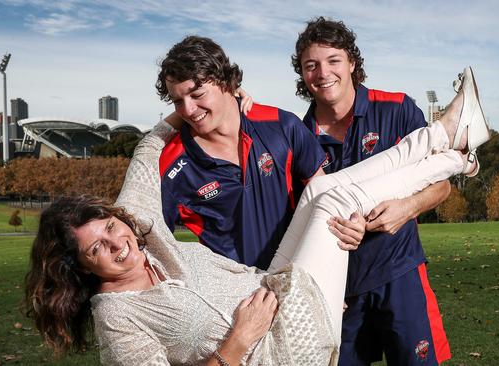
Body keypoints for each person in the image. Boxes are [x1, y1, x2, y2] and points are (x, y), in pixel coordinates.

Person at [24, 64, 489, 366]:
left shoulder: (143, 236)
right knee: (331, 203)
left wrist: (186, 114)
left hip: (280, 288)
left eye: (109, 227)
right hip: (280, 349)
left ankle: (452, 143)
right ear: (81, 266)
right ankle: (452, 147)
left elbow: (146, 150)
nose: (116, 242)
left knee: (324, 188)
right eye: (96, 249)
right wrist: (235, 346)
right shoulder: (118, 316)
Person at [291, 17, 484, 366]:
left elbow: (440, 188)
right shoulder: (297, 135)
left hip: (399, 272)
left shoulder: (394, 108)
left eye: (333, 61)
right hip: (341, 287)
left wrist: (407, 208)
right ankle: (457, 143)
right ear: (302, 74)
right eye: (311, 65)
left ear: (352, 62)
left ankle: (455, 139)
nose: (323, 73)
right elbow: (303, 220)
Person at [155, 35, 364, 271]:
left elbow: (325, 196)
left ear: (226, 82)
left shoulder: (281, 125)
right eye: (177, 101)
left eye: (197, 94)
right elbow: (154, 247)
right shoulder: (169, 165)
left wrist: (348, 225)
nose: (189, 110)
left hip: (299, 279)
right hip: (234, 296)